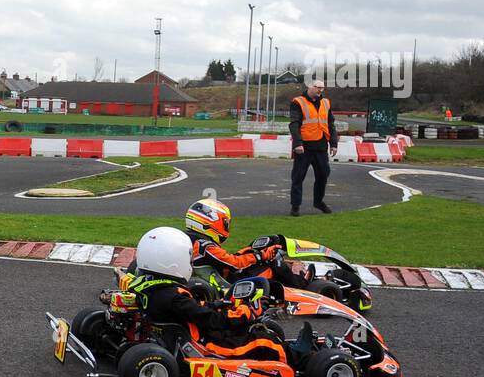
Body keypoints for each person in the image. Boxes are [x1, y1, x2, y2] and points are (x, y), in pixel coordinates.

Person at [127, 226, 286, 361]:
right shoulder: (173, 296)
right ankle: (301, 358)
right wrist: (247, 312)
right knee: (266, 341)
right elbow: (211, 320)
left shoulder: (146, 287)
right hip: (207, 343)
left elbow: (194, 310)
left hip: (180, 335)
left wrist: (216, 304)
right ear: (172, 260)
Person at [184, 198, 309, 288]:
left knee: (253, 259)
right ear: (210, 222)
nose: (226, 226)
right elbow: (234, 264)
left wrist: (247, 252)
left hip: (214, 277)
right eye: (225, 223)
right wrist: (261, 256)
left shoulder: (187, 238)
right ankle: (302, 283)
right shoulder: (205, 246)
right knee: (273, 264)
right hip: (226, 285)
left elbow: (224, 260)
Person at [288, 78, 338, 216]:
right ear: (310, 87)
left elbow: (331, 124)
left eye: (322, 88)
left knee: (323, 175)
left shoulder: (326, 103)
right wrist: (297, 143)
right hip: (304, 146)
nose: (320, 90)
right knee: (298, 177)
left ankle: (318, 202)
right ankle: (295, 206)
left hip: (321, 145)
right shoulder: (298, 102)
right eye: (317, 87)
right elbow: (294, 124)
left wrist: (333, 144)